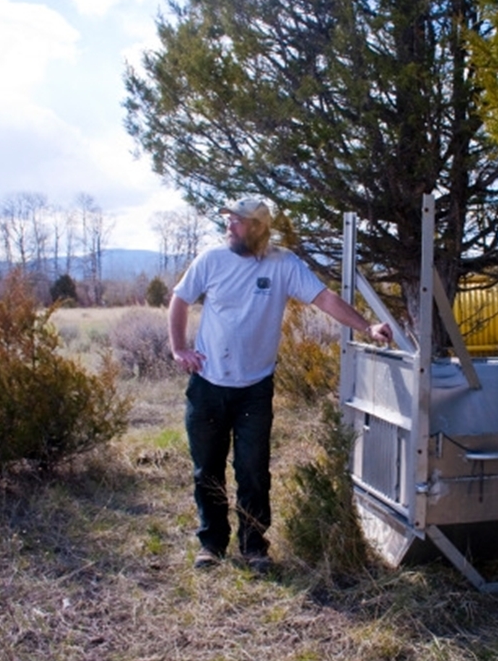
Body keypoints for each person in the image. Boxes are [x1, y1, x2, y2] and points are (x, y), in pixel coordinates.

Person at [168, 197, 393, 571]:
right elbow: (179, 301)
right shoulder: (211, 259)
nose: (229, 226)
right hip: (208, 384)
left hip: (255, 387)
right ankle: (211, 544)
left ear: (257, 227)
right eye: (228, 220)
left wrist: (366, 327)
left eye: (237, 221)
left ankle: (254, 547)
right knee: (206, 467)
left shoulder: (283, 264)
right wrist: (179, 349)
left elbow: (325, 298)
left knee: (253, 469)